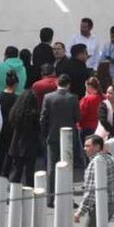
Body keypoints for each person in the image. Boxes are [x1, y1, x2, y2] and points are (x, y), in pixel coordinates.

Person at [40, 74, 79, 207]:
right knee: (68, 165)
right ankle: (68, 197)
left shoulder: (48, 97)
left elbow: (43, 118)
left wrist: (45, 134)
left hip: (52, 135)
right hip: (68, 135)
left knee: (51, 167)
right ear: (68, 85)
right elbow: (77, 117)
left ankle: (50, 198)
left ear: (57, 83)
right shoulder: (73, 98)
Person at [7, 88, 40, 185]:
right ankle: (30, 192)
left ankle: (13, 192)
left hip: (17, 144)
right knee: (30, 172)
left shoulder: (16, 113)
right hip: (30, 145)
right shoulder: (34, 115)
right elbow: (38, 129)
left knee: (17, 170)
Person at [0, 71, 20, 175]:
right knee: (9, 152)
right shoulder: (17, 98)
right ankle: (6, 173)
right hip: (11, 127)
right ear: (16, 84)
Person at [79, 77, 104, 143]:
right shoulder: (103, 97)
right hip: (100, 128)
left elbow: (80, 114)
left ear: (89, 87)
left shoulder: (87, 99)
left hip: (86, 128)